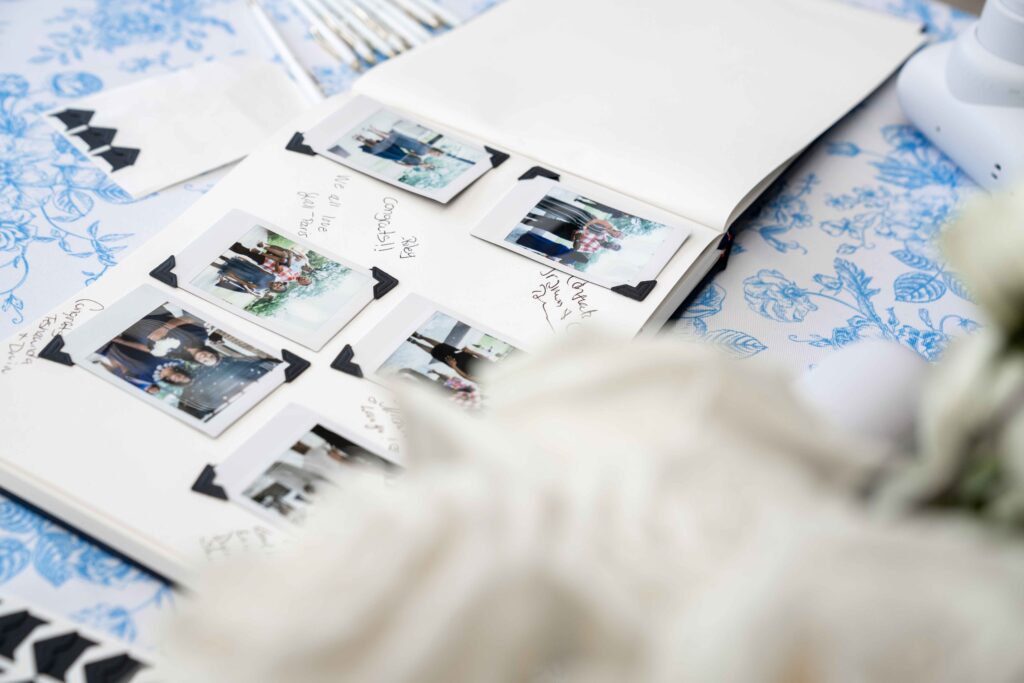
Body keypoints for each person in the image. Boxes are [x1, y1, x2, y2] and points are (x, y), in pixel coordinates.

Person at [405, 332, 497, 383]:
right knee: (442, 346)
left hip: (457, 363)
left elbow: (467, 377)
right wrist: (470, 351)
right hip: (465, 356)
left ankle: (415, 342)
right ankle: (421, 337)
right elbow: (484, 358)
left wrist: (454, 366)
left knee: (435, 353)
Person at [213, 256, 287, 297]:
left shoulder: (261, 287)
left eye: (278, 288)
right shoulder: (273, 277)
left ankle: (211, 262)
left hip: (241, 274)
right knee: (230, 260)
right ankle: (217, 254)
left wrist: (233, 277)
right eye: (280, 284)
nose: (277, 285)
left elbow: (244, 283)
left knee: (222, 267)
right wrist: (247, 261)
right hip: (248, 267)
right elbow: (260, 269)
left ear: (274, 290)